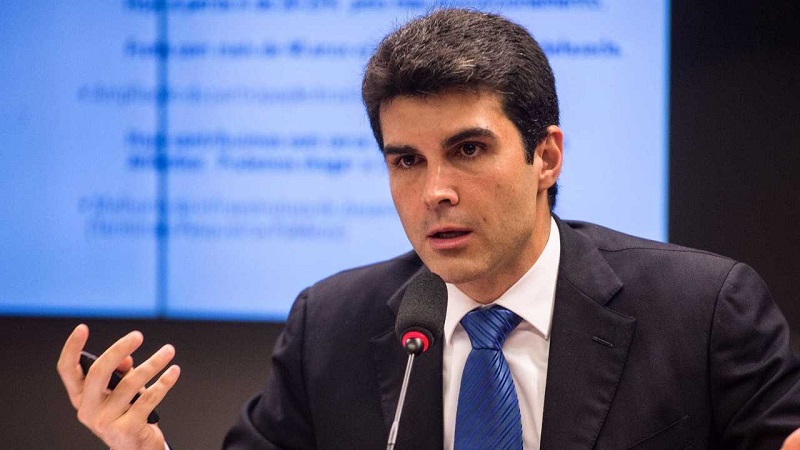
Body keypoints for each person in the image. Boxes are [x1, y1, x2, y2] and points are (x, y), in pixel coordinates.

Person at [58, 8, 800, 450]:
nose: (434, 191)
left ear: (546, 156)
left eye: (468, 150)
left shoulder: (703, 311)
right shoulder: (332, 327)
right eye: (406, 160)